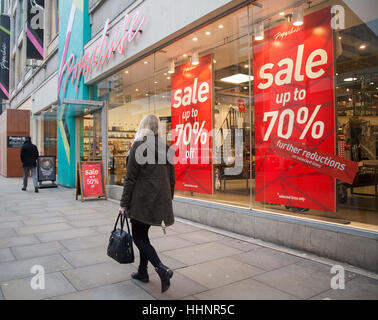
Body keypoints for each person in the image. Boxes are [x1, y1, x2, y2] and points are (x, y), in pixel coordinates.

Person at [119, 115, 176, 293]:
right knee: (143, 235)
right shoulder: (166, 147)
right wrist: (168, 199)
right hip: (159, 200)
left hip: (141, 201)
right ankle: (142, 271)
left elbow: (130, 178)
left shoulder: (138, 145)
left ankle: (161, 269)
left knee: (138, 236)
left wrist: (123, 203)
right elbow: (172, 177)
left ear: (142, 126)